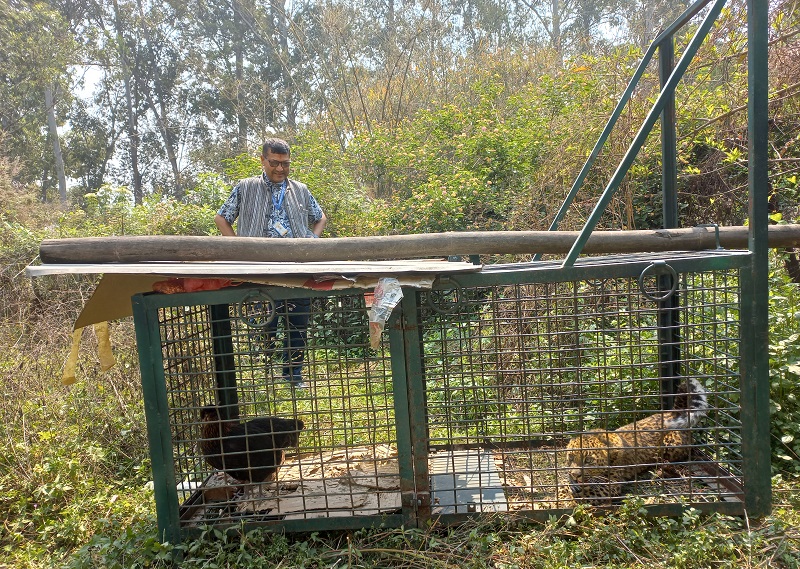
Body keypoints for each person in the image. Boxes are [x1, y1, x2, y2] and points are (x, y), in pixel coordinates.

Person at [215, 138, 327, 388]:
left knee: (298, 323)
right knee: (265, 323)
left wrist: (312, 240)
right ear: (263, 160)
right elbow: (222, 218)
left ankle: (292, 375)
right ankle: (263, 373)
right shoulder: (246, 187)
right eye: (274, 163)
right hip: (258, 270)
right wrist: (238, 248)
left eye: (285, 163)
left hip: (297, 269)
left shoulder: (300, 189)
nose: (280, 168)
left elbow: (320, 218)